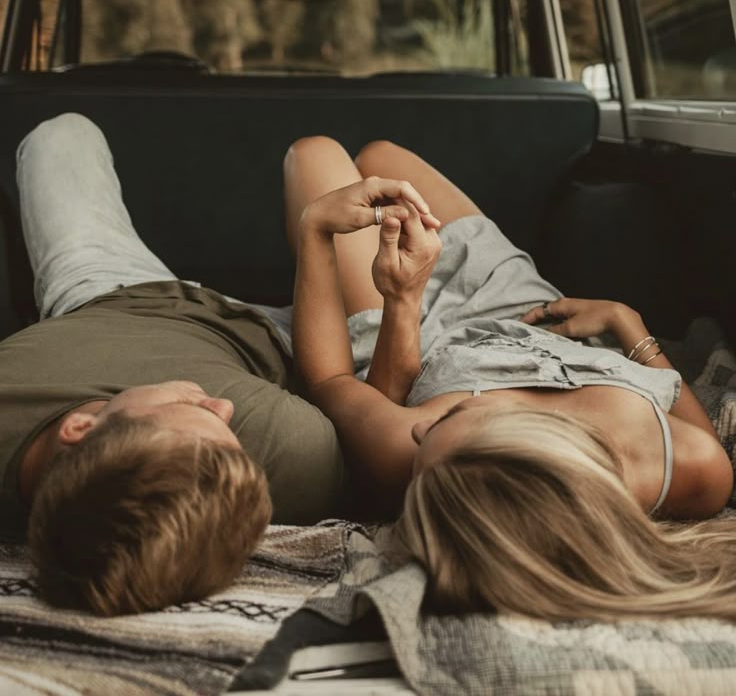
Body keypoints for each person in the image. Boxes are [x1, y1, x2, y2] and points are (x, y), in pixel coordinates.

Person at [285, 135, 736, 622]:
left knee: (314, 153)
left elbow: (331, 380)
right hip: (518, 301)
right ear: (534, 430)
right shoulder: (688, 468)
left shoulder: (419, 461)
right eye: (446, 419)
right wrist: (629, 325)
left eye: (429, 426)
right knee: (380, 155)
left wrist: (332, 244)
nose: (418, 427)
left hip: (398, 320)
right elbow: (677, 402)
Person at [0, 114, 345, 616]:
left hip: (106, 289)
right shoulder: (294, 454)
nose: (222, 406)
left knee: (62, 134)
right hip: (287, 333)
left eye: (197, 410)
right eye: (230, 433)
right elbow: (339, 377)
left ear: (80, 427)